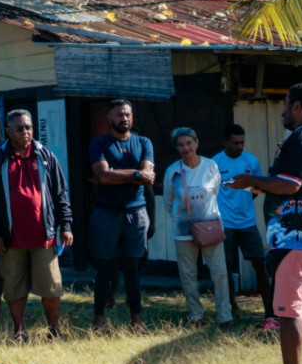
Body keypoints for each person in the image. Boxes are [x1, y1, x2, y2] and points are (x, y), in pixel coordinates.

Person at [228, 82, 302, 364]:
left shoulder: (301, 139)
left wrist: (250, 180)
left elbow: (290, 185)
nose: (283, 111)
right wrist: (262, 185)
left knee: (290, 311)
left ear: (297, 107)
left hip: (298, 237)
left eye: (286, 104)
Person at [0, 109, 73, 341]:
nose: (25, 132)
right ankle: (20, 332)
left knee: (51, 286)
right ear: (8, 131)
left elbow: (60, 193)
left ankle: (54, 331)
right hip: (10, 239)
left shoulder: (45, 156)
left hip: (44, 236)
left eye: (29, 127)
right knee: (14, 288)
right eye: (19, 128)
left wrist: (66, 225)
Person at [88, 99, 154, 333]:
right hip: (106, 213)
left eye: (127, 114)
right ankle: (98, 322)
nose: (124, 119)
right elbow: (104, 176)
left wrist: (120, 174)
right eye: (119, 115)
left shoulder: (143, 142)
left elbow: (149, 176)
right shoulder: (99, 144)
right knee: (105, 268)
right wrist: (136, 174)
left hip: (136, 213)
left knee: (133, 268)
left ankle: (136, 322)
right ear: (110, 118)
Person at [163, 127, 232, 329]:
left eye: (189, 143)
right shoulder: (172, 171)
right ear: (176, 148)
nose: (186, 148)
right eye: (181, 145)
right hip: (183, 231)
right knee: (188, 275)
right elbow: (169, 202)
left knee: (219, 273)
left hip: (210, 227)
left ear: (197, 143)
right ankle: (196, 316)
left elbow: (215, 191)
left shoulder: (211, 165)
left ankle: (224, 316)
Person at [212, 124, 271, 328]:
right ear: (225, 142)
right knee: (226, 266)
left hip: (248, 223)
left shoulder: (251, 161)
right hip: (225, 223)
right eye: (235, 143)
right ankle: (232, 306)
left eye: (242, 142)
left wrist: (243, 203)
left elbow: (258, 189)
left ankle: (269, 310)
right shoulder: (215, 163)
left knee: (260, 264)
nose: (239, 146)